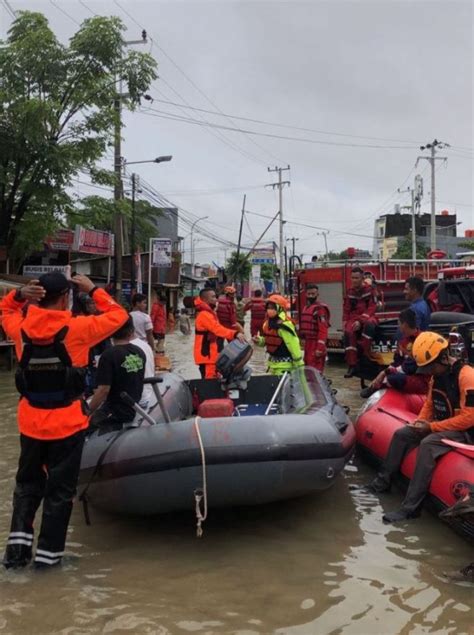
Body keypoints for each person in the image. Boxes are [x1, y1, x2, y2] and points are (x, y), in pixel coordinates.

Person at [1, 273, 128, 569]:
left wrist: (19, 295)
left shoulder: (20, 328)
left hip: (30, 423)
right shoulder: (78, 329)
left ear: (37, 296)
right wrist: (94, 290)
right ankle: (48, 560)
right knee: (59, 492)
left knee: (26, 487)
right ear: (64, 298)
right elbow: (119, 316)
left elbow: (5, 311)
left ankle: (16, 557)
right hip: (68, 425)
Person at [367, 331, 474, 523]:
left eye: (430, 367)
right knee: (402, 434)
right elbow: (430, 404)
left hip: (465, 432)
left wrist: (431, 428)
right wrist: (420, 422)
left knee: (428, 444)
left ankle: (410, 508)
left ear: (443, 357)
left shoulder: (468, 376)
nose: (428, 372)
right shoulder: (436, 377)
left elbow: (469, 418)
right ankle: (381, 483)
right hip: (445, 425)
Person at [89, 317, 146, 430]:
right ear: (131, 331)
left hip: (115, 412)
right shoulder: (140, 352)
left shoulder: (108, 355)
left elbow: (103, 390)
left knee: (81, 427)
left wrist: (87, 412)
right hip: (134, 408)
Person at [360, 309, 429, 398]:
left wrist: (385, 373)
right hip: (407, 374)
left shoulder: (421, 341)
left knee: (393, 378)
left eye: (399, 323)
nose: (399, 327)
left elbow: (409, 368)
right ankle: (374, 387)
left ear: (404, 325)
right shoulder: (403, 341)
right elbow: (396, 361)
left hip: (420, 379)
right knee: (390, 375)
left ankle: (376, 387)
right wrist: (383, 373)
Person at [194, 288, 246, 379]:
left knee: (213, 379)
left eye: (216, 297)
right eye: (213, 297)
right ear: (205, 299)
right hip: (206, 355)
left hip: (211, 355)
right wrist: (235, 334)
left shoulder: (210, 313)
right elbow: (217, 329)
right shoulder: (204, 314)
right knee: (209, 381)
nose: (216, 299)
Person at [254, 295, 304, 376]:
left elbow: (293, 345)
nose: (270, 310)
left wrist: (299, 364)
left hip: (285, 367)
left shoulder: (285, 325)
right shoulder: (267, 323)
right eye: (268, 307)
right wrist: (259, 340)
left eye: (273, 308)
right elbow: (268, 340)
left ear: (279, 308)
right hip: (272, 365)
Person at [342, 267, 378, 377]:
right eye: (352, 278)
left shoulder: (370, 290)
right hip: (354, 318)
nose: (354, 280)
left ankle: (364, 354)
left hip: (367, 316)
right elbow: (346, 309)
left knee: (370, 325)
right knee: (348, 332)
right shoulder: (349, 292)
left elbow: (372, 307)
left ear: (362, 278)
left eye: (357, 278)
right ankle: (352, 365)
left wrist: (361, 321)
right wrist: (345, 322)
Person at [299, 284, 330, 373]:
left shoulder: (320, 309)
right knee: (308, 370)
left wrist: (320, 348)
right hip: (308, 344)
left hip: (316, 343)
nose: (311, 296)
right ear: (305, 294)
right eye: (309, 294)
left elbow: (323, 330)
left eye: (313, 294)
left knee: (315, 372)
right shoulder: (306, 308)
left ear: (317, 295)